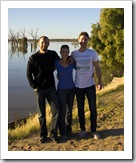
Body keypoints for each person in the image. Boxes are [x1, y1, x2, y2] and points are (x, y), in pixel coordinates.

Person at [26, 36, 60, 143]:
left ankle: (53, 134)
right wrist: (34, 86)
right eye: (42, 42)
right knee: (41, 115)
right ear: (38, 44)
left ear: (49, 43)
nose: (44, 44)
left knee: (56, 111)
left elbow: (60, 64)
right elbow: (28, 74)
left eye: (46, 42)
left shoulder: (53, 54)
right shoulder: (33, 58)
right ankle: (43, 135)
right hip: (39, 89)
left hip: (51, 88)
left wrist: (70, 59)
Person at [71, 32, 102, 139]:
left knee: (93, 108)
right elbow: (66, 64)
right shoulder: (74, 53)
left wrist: (100, 81)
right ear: (78, 40)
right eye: (81, 39)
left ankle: (94, 130)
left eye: (85, 39)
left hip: (90, 85)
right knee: (80, 109)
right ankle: (83, 129)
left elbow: (97, 68)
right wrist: (59, 75)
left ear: (88, 40)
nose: (83, 41)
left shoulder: (92, 53)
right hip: (78, 86)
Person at [54, 45, 75, 138]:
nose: (65, 53)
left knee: (69, 111)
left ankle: (68, 130)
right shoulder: (56, 63)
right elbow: (48, 71)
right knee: (62, 111)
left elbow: (80, 68)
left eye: (67, 52)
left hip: (71, 89)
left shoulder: (71, 62)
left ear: (69, 53)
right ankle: (62, 131)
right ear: (60, 52)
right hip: (61, 90)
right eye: (63, 52)